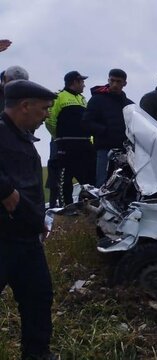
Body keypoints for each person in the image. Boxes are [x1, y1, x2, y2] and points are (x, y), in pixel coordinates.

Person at [0, 79, 59, 360]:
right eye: (44, 109)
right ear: (25, 106)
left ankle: (37, 355)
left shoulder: (23, 138)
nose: (47, 114)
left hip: (26, 238)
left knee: (39, 297)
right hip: (3, 238)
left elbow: (32, 188)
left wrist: (40, 221)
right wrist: (4, 190)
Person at [46, 71, 94, 207]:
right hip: (66, 145)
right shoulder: (59, 97)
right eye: (82, 82)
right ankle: (66, 209)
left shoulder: (83, 99)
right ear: (75, 82)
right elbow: (50, 120)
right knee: (65, 180)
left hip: (84, 144)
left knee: (89, 180)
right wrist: (59, 138)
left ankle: (85, 209)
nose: (84, 85)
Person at [82, 69, 134, 187]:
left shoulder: (129, 104)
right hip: (104, 149)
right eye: (112, 80)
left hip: (125, 150)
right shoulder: (97, 100)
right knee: (103, 183)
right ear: (108, 80)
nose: (115, 84)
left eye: (118, 81)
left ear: (124, 83)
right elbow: (86, 122)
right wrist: (105, 131)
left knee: (125, 184)